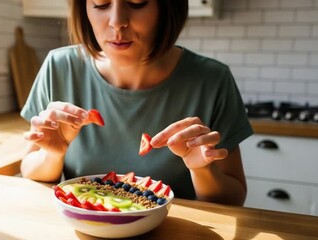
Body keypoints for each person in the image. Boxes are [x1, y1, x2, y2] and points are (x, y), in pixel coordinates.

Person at [20, 0, 253, 206]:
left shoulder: (213, 80)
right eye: (101, 4)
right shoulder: (59, 67)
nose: (117, 22)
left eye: (137, 2)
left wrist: (203, 170)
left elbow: (234, 198)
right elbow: (29, 170)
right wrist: (52, 156)